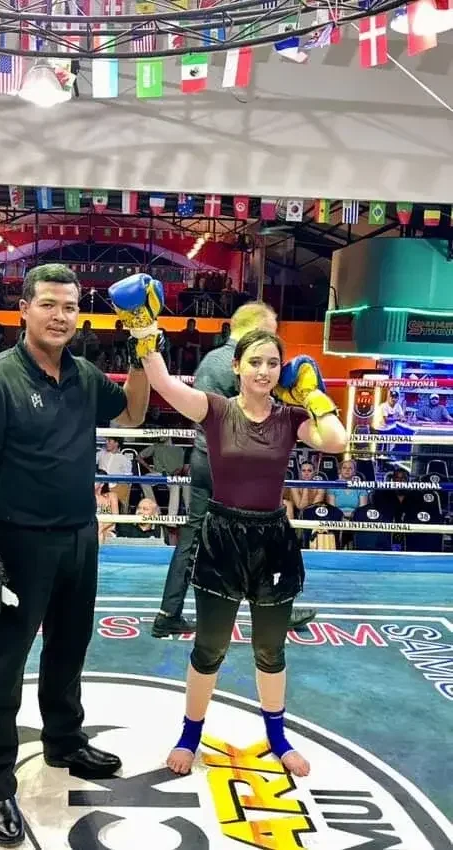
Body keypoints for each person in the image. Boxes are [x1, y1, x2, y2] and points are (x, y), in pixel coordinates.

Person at [108, 275, 347, 778]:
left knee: (270, 649)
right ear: (235, 366)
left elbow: (335, 441)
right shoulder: (215, 410)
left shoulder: (290, 417)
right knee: (209, 647)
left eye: (272, 363)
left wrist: (315, 394)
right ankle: (189, 736)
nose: (264, 370)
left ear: (281, 371)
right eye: (255, 361)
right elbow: (164, 383)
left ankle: (278, 739)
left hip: (272, 540)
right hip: (222, 536)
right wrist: (144, 328)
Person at [0, 263, 150, 848]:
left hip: (78, 536)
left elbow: (134, 413)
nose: (60, 315)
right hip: (19, 543)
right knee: (3, 666)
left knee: (69, 649)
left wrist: (144, 347)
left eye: (69, 306)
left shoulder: (86, 374)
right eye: (49, 304)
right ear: (25, 309)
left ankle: (64, 741)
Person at [148, 300, 317, 638]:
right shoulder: (243, 367)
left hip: (202, 457)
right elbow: (260, 418)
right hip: (232, 464)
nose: (269, 362)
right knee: (259, 529)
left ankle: (169, 611)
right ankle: (272, 605)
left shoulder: (212, 358)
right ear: (259, 330)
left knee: (194, 536)